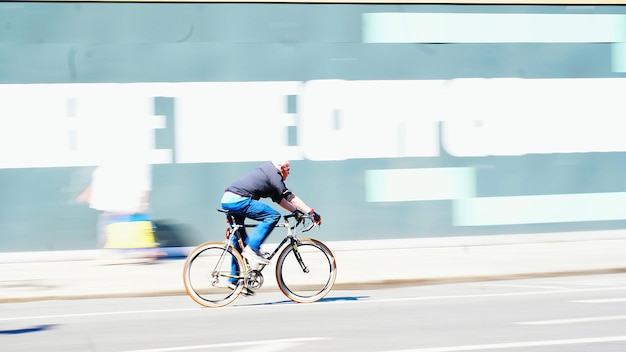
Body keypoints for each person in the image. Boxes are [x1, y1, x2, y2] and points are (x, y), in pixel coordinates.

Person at [221, 160, 322, 287]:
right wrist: (311, 212)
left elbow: (280, 199)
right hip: (238, 200)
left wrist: (296, 212)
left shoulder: (267, 173)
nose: (288, 174)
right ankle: (253, 248)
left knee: (239, 240)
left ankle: (234, 280)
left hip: (229, 200)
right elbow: (289, 197)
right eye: (288, 170)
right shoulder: (274, 173)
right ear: (282, 168)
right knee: (272, 216)